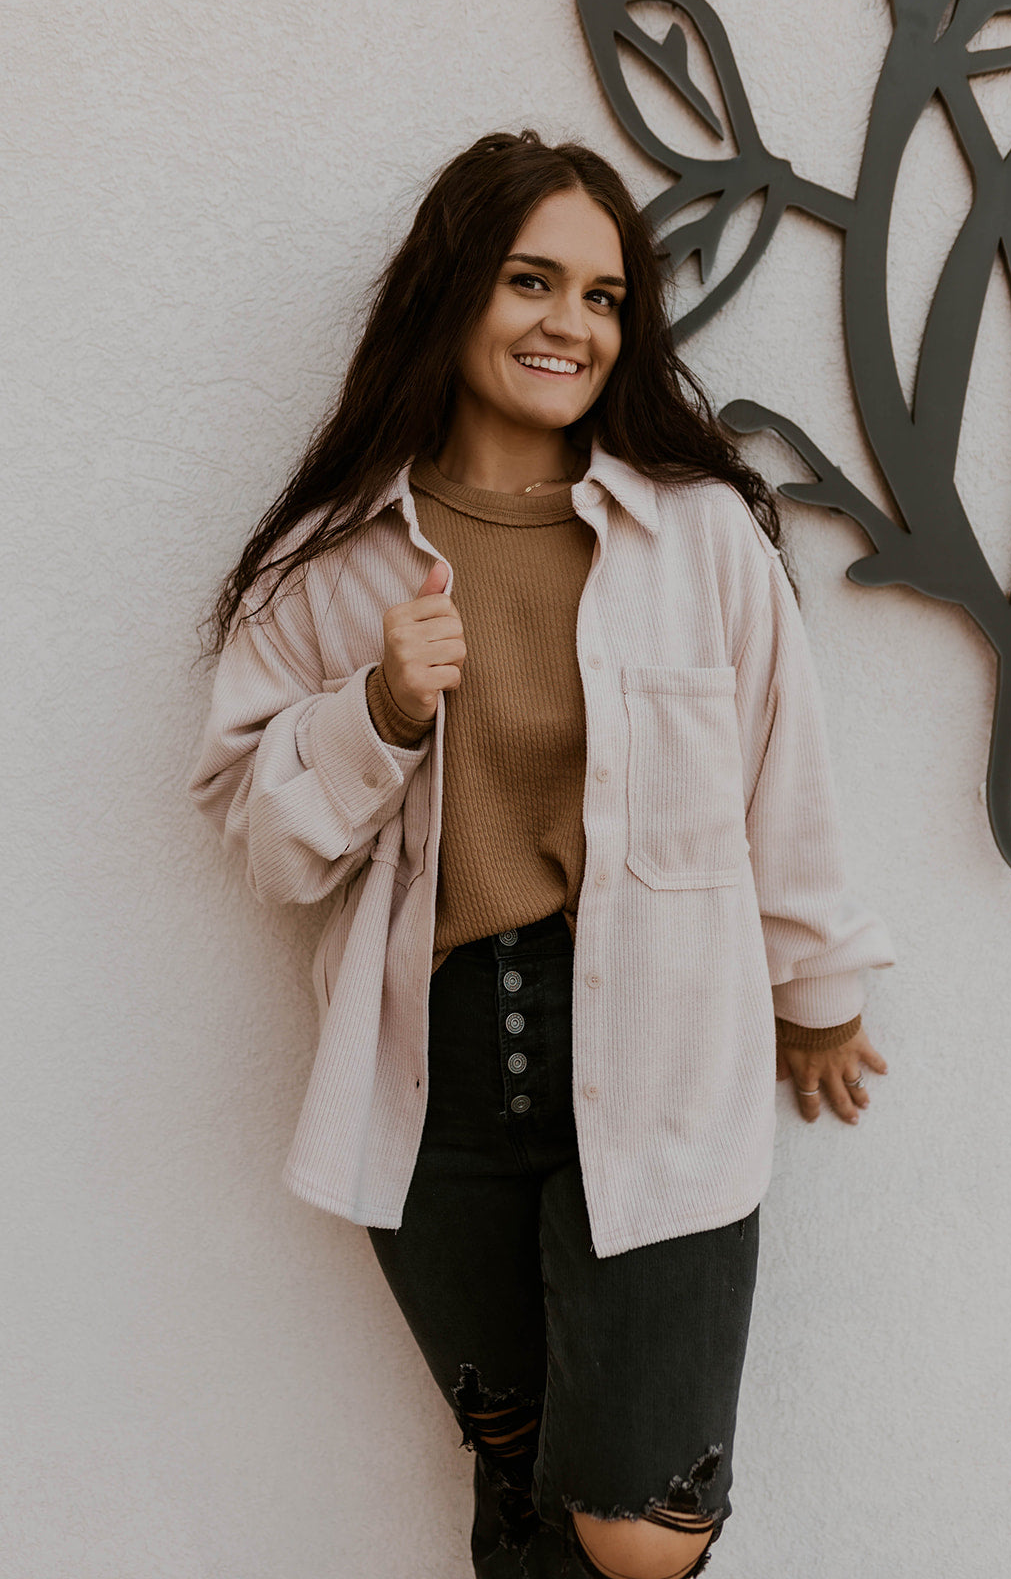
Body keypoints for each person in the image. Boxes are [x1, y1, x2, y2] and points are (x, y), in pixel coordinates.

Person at [190, 129, 895, 1579]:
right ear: (450, 293)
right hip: (439, 1083)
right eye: (530, 280)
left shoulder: (700, 539)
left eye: (604, 295)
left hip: (662, 1054)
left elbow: (784, 776)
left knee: (640, 1535)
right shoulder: (333, 565)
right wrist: (378, 710)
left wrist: (818, 989)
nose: (570, 322)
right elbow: (267, 849)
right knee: (523, 1480)